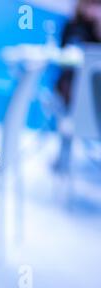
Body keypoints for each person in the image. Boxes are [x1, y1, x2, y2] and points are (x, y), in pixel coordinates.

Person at [54, 0, 101, 173]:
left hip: (96, 89)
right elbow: (63, 55)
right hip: (70, 84)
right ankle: (63, 152)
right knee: (67, 89)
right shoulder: (72, 25)